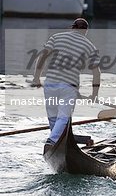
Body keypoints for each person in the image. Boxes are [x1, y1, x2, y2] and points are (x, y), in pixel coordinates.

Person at [32, 18, 101, 148]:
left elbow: (42, 58)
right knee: (63, 117)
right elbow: (96, 72)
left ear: (72, 27)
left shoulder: (56, 37)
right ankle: (53, 142)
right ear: (86, 31)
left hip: (51, 83)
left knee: (53, 116)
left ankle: (57, 143)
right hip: (69, 86)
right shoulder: (89, 46)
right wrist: (94, 94)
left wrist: (36, 78)